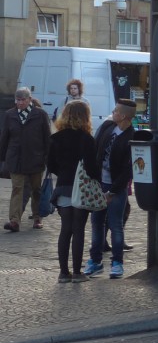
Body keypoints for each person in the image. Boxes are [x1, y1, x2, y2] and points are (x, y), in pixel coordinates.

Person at [46, 100, 100, 282]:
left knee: (65, 230)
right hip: (81, 188)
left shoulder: (56, 138)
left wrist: (63, 173)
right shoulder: (87, 139)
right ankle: (77, 272)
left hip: (63, 187)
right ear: (85, 116)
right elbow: (92, 168)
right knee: (79, 230)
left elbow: (51, 164)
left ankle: (63, 273)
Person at [82, 99, 135, 278]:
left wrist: (112, 191)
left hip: (115, 187)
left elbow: (128, 170)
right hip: (99, 183)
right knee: (97, 224)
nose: (113, 112)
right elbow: (95, 149)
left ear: (125, 116)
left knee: (116, 225)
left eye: (117, 111)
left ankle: (117, 263)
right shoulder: (107, 127)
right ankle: (95, 261)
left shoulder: (131, 137)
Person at [1, 87, 52, 232]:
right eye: (18, 100)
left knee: (36, 190)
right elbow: (4, 138)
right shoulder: (10, 115)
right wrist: (2, 158)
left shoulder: (40, 114)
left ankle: (37, 217)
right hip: (15, 159)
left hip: (35, 159)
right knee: (17, 189)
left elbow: (47, 138)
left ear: (30, 99)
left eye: (23, 100)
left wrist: (49, 158)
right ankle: (14, 221)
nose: (20, 103)